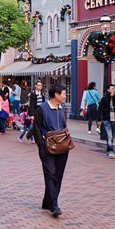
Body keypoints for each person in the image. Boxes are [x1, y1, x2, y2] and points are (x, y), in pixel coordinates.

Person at [31, 83, 70, 217]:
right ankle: (54, 205)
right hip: (47, 148)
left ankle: (48, 201)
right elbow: (36, 129)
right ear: (56, 95)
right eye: (64, 94)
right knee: (50, 174)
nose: (65, 96)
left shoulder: (63, 108)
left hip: (63, 148)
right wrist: (41, 146)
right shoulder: (42, 109)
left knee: (58, 175)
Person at [97, 84, 115, 158]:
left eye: (114, 88)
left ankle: (109, 149)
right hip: (107, 120)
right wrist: (99, 120)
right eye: (112, 88)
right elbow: (100, 109)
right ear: (108, 90)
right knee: (109, 136)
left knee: (113, 136)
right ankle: (111, 151)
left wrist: (114, 96)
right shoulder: (105, 98)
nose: (113, 90)